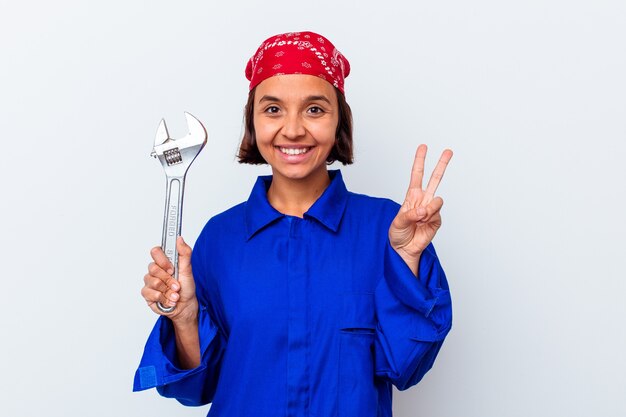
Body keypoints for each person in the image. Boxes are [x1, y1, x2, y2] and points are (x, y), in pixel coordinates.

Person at [134, 31, 453, 417]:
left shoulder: (389, 229)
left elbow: (406, 366)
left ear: (339, 122)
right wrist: (185, 319)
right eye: (273, 110)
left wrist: (406, 261)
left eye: (315, 109)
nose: (293, 129)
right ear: (253, 121)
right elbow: (196, 386)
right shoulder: (220, 239)